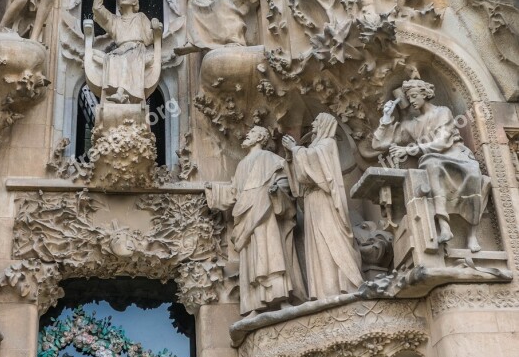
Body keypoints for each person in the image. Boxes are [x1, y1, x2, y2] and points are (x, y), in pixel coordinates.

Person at [372, 79, 490, 252]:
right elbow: (379, 144)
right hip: (433, 160)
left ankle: (472, 235)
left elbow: (442, 142)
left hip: (457, 155)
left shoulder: (443, 112)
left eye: (414, 95)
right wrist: (386, 117)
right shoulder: (411, 125)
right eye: (408, 97)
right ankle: (444, 227)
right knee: (431, 164)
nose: (411, 100)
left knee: (474, 174)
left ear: (425, 94)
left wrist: (408, 150)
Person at [205, 126, 306, 316]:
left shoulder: (271, 159)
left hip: (265, 211)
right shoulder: (242, 164)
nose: (247, 135)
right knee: (252, 260)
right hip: (247, 215)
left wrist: (275, 191)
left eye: (251, 133)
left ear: (260, 137)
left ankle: (281, 299)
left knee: (272, 255)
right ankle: (254, 305)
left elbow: (286, 181)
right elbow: (235, 192)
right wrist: (215, 190)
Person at [283, 114, 363, 299]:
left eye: (316, 120)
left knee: (329, 239)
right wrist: (290, 155)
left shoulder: (327, 144)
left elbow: (314, 168)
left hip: (325, 201)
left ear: (325, 124)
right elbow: (300, 179)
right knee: (318, 244)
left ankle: (340, 286)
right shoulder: (314, 148)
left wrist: (295, 149)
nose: (312, 123)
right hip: (313, 202)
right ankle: (323, 291)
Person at [90, 0, 161, 104]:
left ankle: (120, 92)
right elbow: (97, 9)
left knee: (125, 58)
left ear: (135, 1)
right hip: (120, 51)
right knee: (112, 57)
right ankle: (119, 93)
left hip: (136, 49)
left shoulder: (140, 17)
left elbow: (150, 37)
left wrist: (156, 26)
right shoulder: (114, 21)